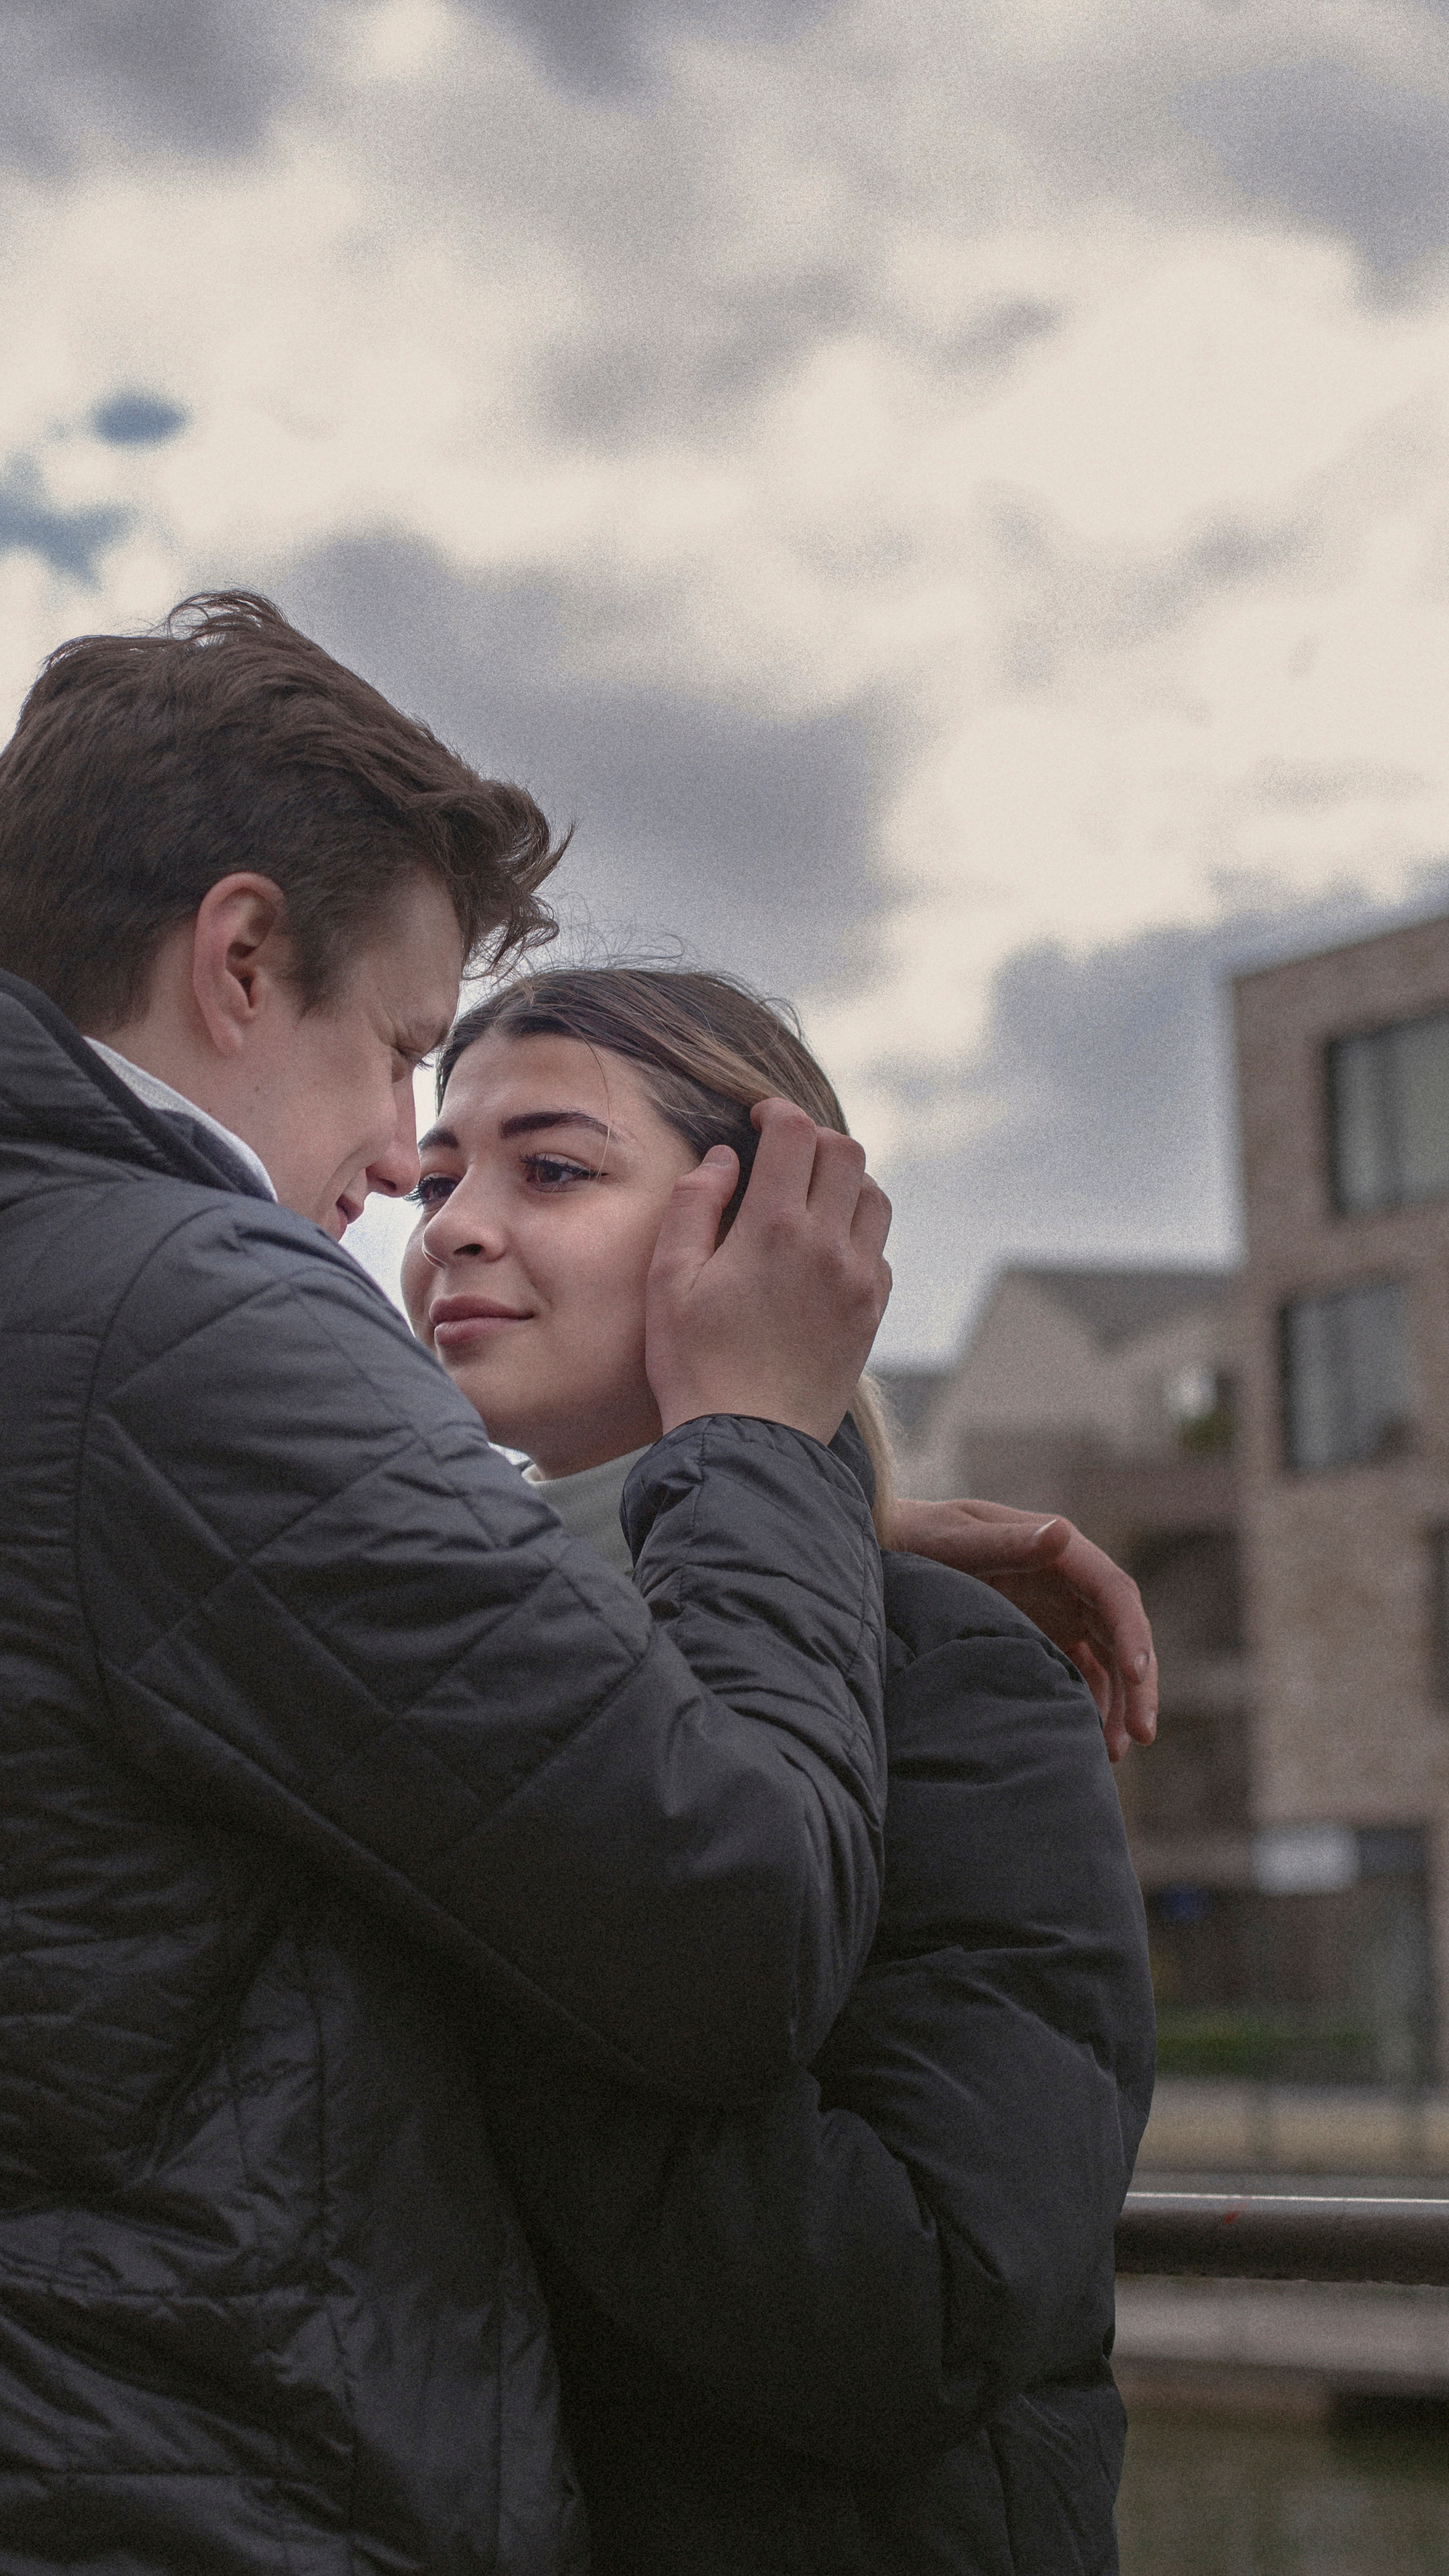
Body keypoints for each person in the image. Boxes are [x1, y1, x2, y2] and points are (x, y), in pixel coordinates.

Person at [0, 593, 909, 2576]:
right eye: (394, 1055)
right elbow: (735, 1932)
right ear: (243, 953)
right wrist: (770, 1455)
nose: (392, 1158)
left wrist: (708, 1521)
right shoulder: (186, 1307)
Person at [399, 966, 1158, 2574]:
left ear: (759, 1234)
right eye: (436, 1171)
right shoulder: (393, 1676)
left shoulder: (946, 1674)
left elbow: (926, 2307)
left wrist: (466, 1935)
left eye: (548, 1169)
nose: (453, 1223)